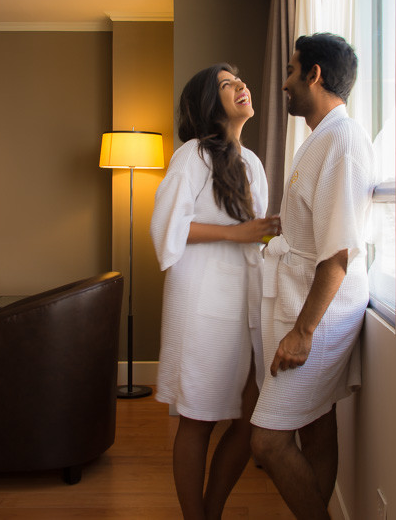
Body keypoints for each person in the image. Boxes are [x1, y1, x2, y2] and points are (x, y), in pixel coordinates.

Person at [250, 33, 375, 519]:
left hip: (319, 315)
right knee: (317, 425)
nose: (284, 83)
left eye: (290, 70)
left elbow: (339, 252)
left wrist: (303, 332)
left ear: (314, 74)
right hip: (303, 298)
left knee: (267, 442)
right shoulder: (321, 138)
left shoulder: (342, 141)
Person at [150, 64, 281, 520]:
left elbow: (255, 233)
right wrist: (238, 233)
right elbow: (169, 225)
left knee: (251, 421)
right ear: (208, 104)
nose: (241, 86)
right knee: (198, 419)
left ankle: (211, 512)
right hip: (202, 300)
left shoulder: (254, 164)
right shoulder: (193, 155)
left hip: (246, 301)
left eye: (240, 80)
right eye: (227, 84)